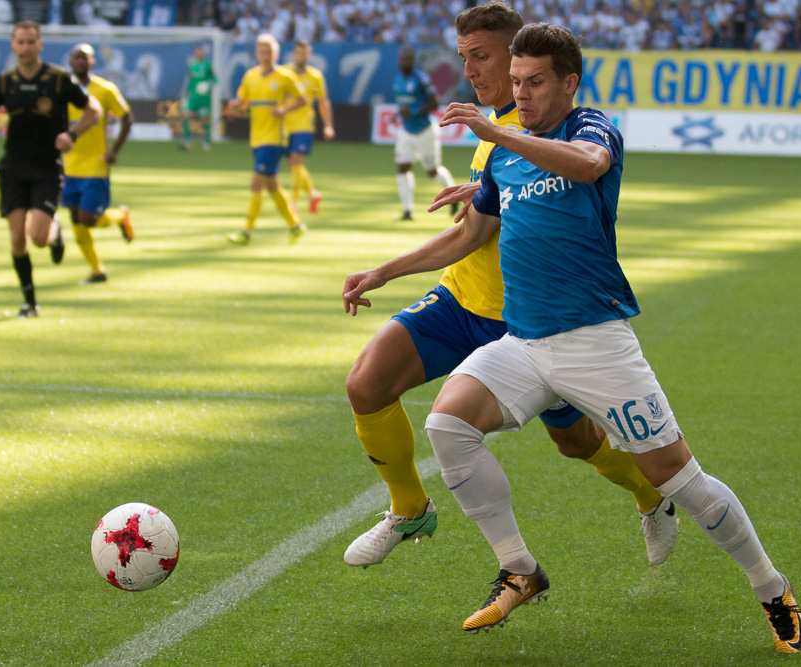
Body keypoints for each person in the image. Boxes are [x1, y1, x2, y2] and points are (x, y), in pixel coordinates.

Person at [344, 22, 801, 654]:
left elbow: (590, 168)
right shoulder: (506, 156)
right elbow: (465, 235)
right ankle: (521, 570)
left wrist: (501, 132)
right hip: (525, 344)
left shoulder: (589, 128)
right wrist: (382, 271)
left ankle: (771, 587)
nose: (522, 93)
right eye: (516, 83)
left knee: (680, 478)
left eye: (535, 82)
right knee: (449, 425)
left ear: (569, 82)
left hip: (596, 342)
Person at [343, 1, 677, 573]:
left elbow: (571, 175)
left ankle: (652, 496)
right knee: (367, 382)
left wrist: (491, 176)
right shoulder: (491, 132)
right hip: (460, 300)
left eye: (482, 57)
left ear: (518, 53)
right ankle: (409, 507)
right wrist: (384, 270)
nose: (471, 70)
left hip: (529, 323)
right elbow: (475, 232)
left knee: (576, 443)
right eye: (464, 58)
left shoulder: (546, 130)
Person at [0, 20, 101, 317]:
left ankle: (55, 232)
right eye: (20, 42)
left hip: (46, 168)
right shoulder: (4, 82)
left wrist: (71, 134)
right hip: (13, 168)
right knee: (18, 238)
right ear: (13, 45)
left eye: (31, 42)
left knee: (38, 238)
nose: (26, 48)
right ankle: (30, 302)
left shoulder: (58, 80)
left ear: (40, 45)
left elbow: (93, 110)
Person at [62, 43, 135, 285]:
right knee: (75, 219)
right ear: (70, 62)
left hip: (95, 164)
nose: (80, 61)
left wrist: (114, 150)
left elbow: (127, 117)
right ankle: (97, 271)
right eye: (76, 57)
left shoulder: (105, 89)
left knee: (88, 218)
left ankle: (120, 216)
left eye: (85, 58)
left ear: (93, 62)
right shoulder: (62, 90)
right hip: (68, 165)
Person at [226, 33, 308, 246]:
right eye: (262, 51)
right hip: (257, 138)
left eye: (269, 51)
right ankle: (295, 225)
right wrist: (236, 105)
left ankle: (247, 231)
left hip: (275, 140)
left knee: (256, 182)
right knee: (272, 187)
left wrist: (284, 109)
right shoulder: (250, 76)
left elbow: (303, 100)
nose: (265, 55)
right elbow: (244, 102)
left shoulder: (285, 76)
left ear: (276, 53)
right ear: (257, 53)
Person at [392, 44, 455, 221]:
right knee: (403, 167)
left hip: (424, 130)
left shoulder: (421, 79)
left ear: (412, 60)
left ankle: (453, 194)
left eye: (406, 58)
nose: (403, 61)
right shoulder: (397, 81)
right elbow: (404, 104)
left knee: (432, 172)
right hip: (406, 130)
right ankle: (407, 211)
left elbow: (434, 104)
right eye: (400, 58)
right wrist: (397, 114)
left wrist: (412, 112)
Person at [282, 40, 335, 214]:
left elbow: (323, 101)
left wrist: (328, 125)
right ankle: (312, 193)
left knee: (296, 160)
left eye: (304, 53)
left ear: (309, 54)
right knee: (292, 164)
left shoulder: (315, 76)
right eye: (298, 53)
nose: (301, 56)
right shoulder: (285, 73)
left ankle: (293, 203)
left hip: (305, 125)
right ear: (293, 54)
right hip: (285, 125)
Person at [181, 45, 217, 151]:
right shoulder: (192, 65)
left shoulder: (208, 65)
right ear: (195, 53)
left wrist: (208, 85)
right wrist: (187, 94)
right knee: (186, 116)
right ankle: (187, 141)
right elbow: (190, 81)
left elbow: (215, 79)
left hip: (204, 98)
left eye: (201, 51)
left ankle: (206, 143)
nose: (199, 53)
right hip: (193, 97)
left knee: (206, 120)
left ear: (204, 53)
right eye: (197, 51)